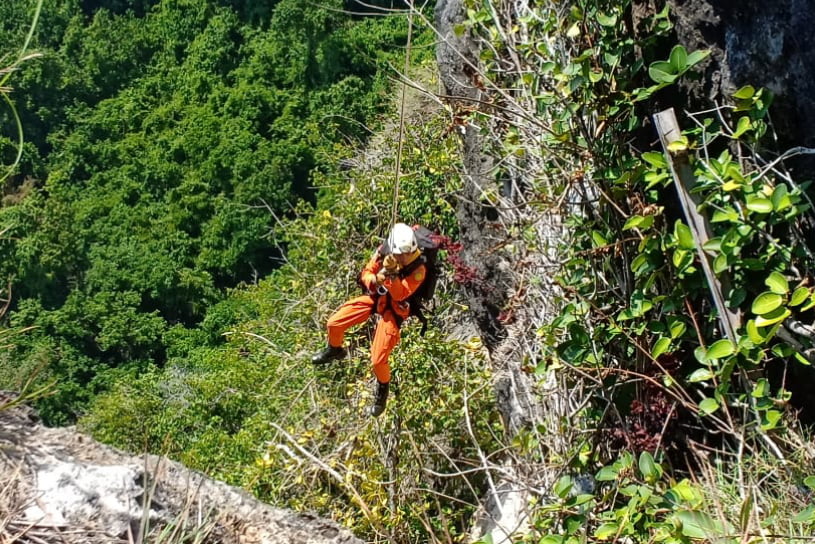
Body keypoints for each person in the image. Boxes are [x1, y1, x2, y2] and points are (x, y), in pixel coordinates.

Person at [312, 223, 427, 417]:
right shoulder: (384, 251)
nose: (403, 258)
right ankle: (335, 349)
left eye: (406, 255)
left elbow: (400, 295)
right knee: (334, 323)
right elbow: (366, 273)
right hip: (378, 298)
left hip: (395, 310)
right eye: (401, 255)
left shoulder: (419, 268)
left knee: (378, 359)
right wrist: (375, 278)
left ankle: (383, 390)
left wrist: (390, 275)